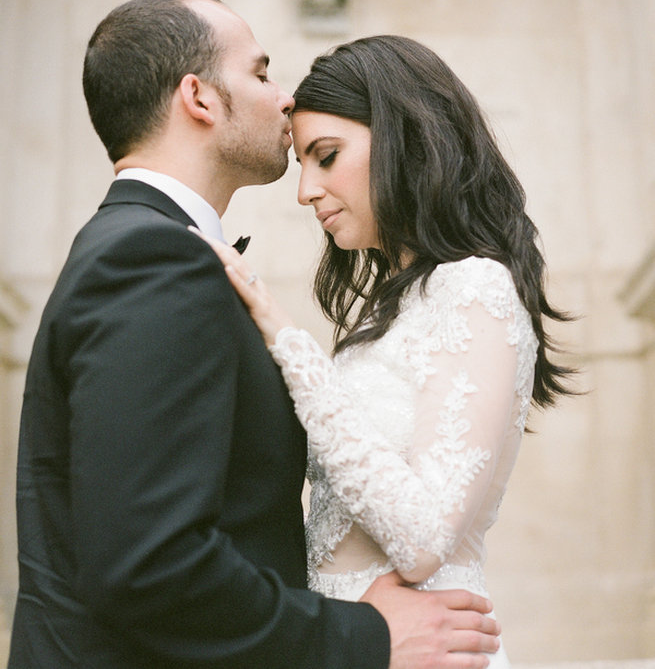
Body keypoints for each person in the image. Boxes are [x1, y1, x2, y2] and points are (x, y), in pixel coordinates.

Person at [8, 0, 501, 669]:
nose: (285, 98)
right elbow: (151, 562)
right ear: (199, 98)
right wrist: (366, 639)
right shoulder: (150, 258)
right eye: (262, 72)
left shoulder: (148, 250)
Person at [200, 35, 575, 669]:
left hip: (431, 650)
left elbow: (424, 540)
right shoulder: (392, 309)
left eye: (327, 156)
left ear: (404, 136)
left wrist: (285, 338)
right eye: (302, 166)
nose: (306, 191)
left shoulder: (476, 286)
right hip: (356, 647)